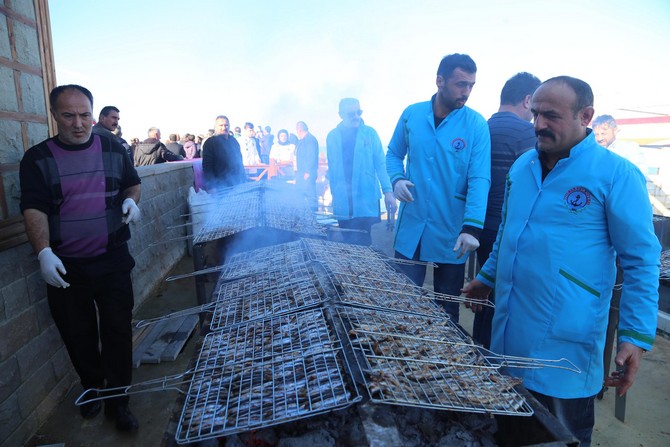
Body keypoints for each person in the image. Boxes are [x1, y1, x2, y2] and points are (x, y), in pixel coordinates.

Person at [462, 76, 660, 446]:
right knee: (509, 427)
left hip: (567, 339)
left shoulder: (615, 175)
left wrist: (634, 334)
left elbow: (641, 260)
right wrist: (487, 277)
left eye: (551, 116)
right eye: (535, 113)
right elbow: (508, 231)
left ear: (586, 115)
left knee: (557, 435)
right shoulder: (522, 167)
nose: (538, 124)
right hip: (509, 330)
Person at [19, 84, 142, 432]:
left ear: (93, 114)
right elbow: (33, 207)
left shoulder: (114, 148)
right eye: (69, 115)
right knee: (78, 333)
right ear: (55, 115)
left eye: (85, 114)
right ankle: (93, 386)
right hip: (66, 265)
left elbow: (132, 183)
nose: (78, 123)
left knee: (117, 331)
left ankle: (119, 402)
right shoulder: (38, 158)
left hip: (113, 259)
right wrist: (43, 252)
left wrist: (133, 200)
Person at [386, 53, 491, 322]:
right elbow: (393, 154)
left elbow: (480, 178)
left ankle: (442, 362)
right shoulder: (412, 114)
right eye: (460, 84)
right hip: (413, 225)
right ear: (439, 81)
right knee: (402, 301)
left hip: (452, 230)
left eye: (471, 85)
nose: (466, 92)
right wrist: (397, 179)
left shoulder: (476, 124)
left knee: (446, 310)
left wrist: (472, 228)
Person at [471, 72, 541, 348]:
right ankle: (494, 364)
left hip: (477, 227)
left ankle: (477, 351)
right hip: (508, 231)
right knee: (507, 298)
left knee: (484, 292)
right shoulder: (527, 135)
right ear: (527, 100)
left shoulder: (481, 128)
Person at [326, 98, 396, 245]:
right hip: (342, 198)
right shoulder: (331, 136)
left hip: (365, 197)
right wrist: (331, 190)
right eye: (351, 113)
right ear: (341, 115)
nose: (356, 116)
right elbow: (332, 166)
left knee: (364, 239)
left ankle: (364, 267)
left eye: (359, 112)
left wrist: (388, 192)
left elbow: (380, 164)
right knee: (346, 239)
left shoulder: (370, 133)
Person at [202, 115, 246, 191]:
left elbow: (239, 161)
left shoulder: (234, 141)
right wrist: (211, 187)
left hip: (237, 183)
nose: (224, 127)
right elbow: (207, 166)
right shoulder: (210, 142)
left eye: (226, 125)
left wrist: (244, 179)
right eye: (221, 125)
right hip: (220, 185)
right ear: (215, 127)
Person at [295, 121, 320, 211]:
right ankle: (307, 214)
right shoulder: (304, 140)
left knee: (310, 195)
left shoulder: (309, 139)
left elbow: (311, 156)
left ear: (299, 130)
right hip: (302, 173)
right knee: (304, 194)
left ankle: (313, 215)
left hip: (307, 173)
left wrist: (308, 172)